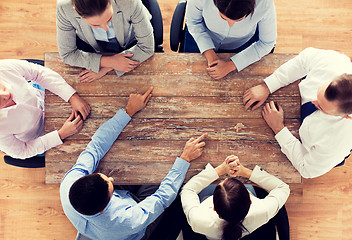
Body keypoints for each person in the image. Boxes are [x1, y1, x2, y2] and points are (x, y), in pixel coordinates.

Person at [60, 86, 208, 240]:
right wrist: (185, 158)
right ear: (104, 209)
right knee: (176, 191)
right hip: (138, 229)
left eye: (103, 177)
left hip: (119, 206)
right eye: (110, 186)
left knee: (147, 171)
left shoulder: (70, 183)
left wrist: (128, 111)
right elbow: (162, 198)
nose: (111, 179)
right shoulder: (127, 221)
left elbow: (96, 146)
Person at [243, 47, 352, 178]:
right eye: (318, 94)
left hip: (321, 153)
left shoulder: (336, 143)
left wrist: (278, 128)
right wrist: (268, 86)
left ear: (346, 116)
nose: (313, 102)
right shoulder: (333, 61)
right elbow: (303, 61)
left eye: (322, 108)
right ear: (343, 74)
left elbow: (307, 169)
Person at [180, 155, 290, 240]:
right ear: (250, 201)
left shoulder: (198, 220)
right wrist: (245, 172)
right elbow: (283, 188)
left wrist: (220, 170)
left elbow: (187, 190)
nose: (225, 177)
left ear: (213, 208)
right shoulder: (262, 211)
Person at [0, 59, 90, 159]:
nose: (6, 94)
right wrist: (60, 135)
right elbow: (22, 151)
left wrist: (71, 96)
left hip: (42, 95)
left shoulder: (2, 68)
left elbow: (38, 73)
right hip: (41, 137)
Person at [56, 0, 155, 82]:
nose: (105, 28)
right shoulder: (64, 8)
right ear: (76, 11)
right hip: (92, 45)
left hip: (130, 40)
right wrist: (110, 61)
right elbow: (67, 55)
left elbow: (146, 47)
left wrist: (105, 68)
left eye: (109, 19)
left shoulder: (128, 1)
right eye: (95, 25)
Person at [184, 0, 276, 79]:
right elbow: (193, 22)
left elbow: (267, 43)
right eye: (223, 18)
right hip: (201, 34)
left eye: (238, 20)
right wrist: (209, 53)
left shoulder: (265, 3)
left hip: (243, 44)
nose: (230, 25)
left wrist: (231, 65)